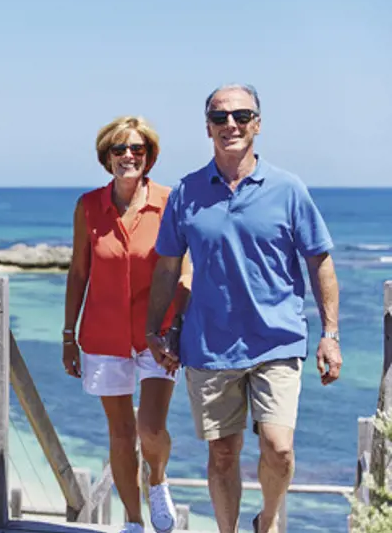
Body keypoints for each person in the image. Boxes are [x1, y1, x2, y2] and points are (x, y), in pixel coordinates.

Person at [145, 83, 342, 533]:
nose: (230, 125)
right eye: (219, 118)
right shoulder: (186, 193)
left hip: (278, 339)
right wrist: (155, 330)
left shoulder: (288, 189)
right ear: (207, 127)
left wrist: (330, 335)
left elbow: (320, 261)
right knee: (223, 453)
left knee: (279, 449)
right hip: (209, 345)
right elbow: (166, 268)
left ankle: (267, 522)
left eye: (240, 115)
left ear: (257, 123)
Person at [63, 115, 192, 533]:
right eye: (119, 150)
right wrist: (69, 333)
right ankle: (134, 522)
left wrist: (176, 330)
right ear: (107, 158)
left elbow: (185, 271)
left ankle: (158, 480)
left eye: (137, 149)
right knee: (120, 434)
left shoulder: (171, 202)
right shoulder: (88, 207)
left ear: (149, 156)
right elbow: (79, 272)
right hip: (102, 335)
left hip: (159, 336)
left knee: (150, 429)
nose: (128, 156)